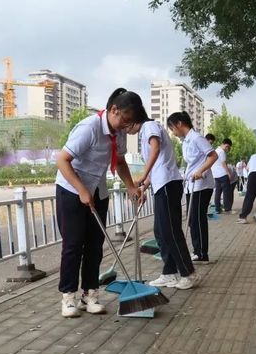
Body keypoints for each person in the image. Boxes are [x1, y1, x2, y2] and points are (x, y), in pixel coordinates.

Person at [56, 88, 148, 318]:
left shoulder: (120, 132)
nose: (127, 126)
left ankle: (90, 295)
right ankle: (68, 297)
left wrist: (130, 186)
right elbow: (62, 160)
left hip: (98, 188)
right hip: (71, 189)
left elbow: (119, 160)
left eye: (131, 123)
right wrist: (81, 190)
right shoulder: (89, 128)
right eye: (126, 120)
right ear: (114, 110)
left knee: (96, 245)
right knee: (74, 244)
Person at [132, 120, 199, 290]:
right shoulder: (146, 132)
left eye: (126, 124)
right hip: (162, 185)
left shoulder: (149, 126)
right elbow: (155, 165)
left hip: (168, 184)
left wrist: (141, 175)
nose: (125, 129)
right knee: (160, 231)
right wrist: (143, 186)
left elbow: (155, 149)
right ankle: (170, 271)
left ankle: (188, 273)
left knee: (170, 231)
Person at [168, 112, 218, 264]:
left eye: (172, 128)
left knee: (197, 218)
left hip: (202, 185)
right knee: (192, 220)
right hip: (192, 185)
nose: (172, 132)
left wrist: (200, 171)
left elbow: (213, 156)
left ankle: (202, 254)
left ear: (179, 124)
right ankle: (197, 251)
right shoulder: (186, 141)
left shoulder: (197, 138)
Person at [211, 138, 234, 213]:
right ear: (226, 145)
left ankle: (218, 209)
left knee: (218, 192)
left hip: (216, 175)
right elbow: (223, 164)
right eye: (229, 148)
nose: (228, 150)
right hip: (223, 174)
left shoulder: (215, 151)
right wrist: (228, 173)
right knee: (226, 192)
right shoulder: (222, 152)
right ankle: (227, 209)